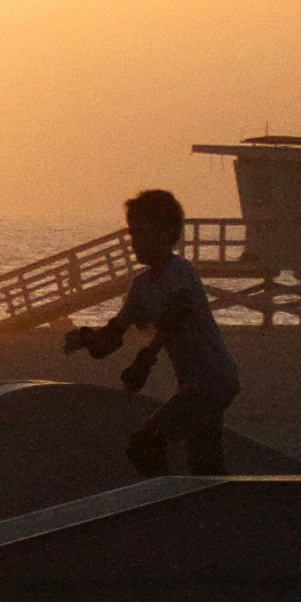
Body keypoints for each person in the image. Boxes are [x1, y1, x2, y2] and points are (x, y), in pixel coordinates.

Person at [65, 188, 240, 471]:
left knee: (145, 445)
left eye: (140, 233)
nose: (133, 242)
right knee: (205, 462)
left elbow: (178, 314)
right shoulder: (141, 287)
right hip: (197, 385)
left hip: (213, 381)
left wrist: (147, 358)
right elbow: (112, 339)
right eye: (131, 233)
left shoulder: (180, 271)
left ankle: (167, 505)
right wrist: (88, 339)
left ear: (165, 232)